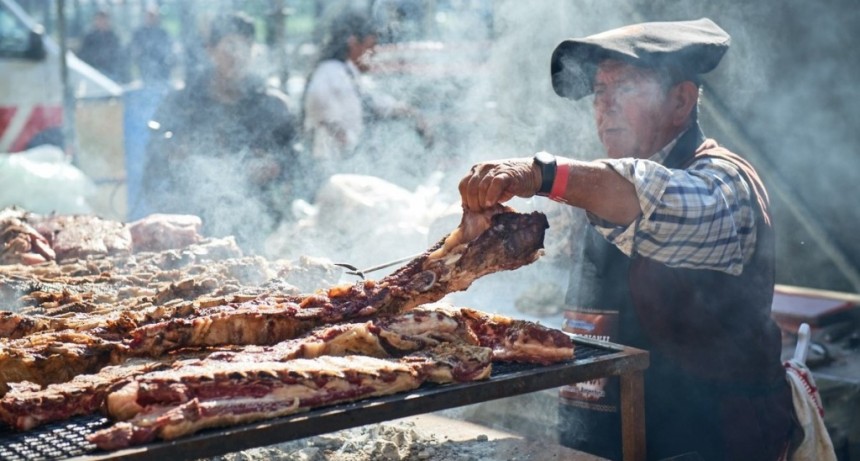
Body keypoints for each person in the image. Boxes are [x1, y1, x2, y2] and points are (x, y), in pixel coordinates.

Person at [457, 18, 797, 461]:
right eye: (599, 91)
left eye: (627, 87)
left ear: (681, 101)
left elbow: (650, 195)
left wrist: (540, 173)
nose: (605, 105)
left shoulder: (723, 182)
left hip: (703, 442)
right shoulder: (600, 187)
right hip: (600, 438)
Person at [136, 12, 298, 253]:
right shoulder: (182, 103)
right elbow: (154, 165)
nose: (238, 54)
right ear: (210, 49)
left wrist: (275, 166)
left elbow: (296, 161)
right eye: (230, 45)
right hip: (191, 231)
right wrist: (176, 158)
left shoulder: (273, 106)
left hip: (259, 228)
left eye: (246, 46)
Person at [301, 9, 432, 186]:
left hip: (345, 167)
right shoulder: (330, 72)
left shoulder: (348, 74)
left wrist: (411, 113)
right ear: (353, 43)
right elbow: (322, 109)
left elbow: (374, 101)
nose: (374, 55)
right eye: (370, 48)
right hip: (330, 169)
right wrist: (344, 141)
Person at [77, 10, 127, 83]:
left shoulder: (113, 36)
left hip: (111, 72)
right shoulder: (89, 37)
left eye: (104, 19)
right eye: (100, 19)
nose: (102, 22)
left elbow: (119, 55)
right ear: (95, 21)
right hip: (93, 72)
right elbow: (83, 54)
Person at [128, 7, 174, 85]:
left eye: (153, 16)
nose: (151, 19)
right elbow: (134, 49)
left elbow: (168, 49)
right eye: (149, 16)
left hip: (162, 70)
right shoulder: (139, 33)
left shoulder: (162, 33)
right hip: (144, 69)